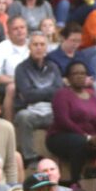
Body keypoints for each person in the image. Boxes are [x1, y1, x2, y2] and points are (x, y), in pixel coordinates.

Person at [48, 60, 96, 183]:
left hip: (91, 138)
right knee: (79, 142)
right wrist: (87, 137)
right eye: (75, 73)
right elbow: (63, 120)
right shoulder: (62, 94)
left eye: (83, 73)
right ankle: (75, 180)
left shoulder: (92, 95)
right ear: (68, 78)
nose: (80, 76)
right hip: (61, 136)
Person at [13, 32, 63, 165]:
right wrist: (49, 92)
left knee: (66, 116)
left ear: (46, 48)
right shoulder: (21, 69)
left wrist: (38, 92)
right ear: (29, 47)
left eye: (42, 44)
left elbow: (59, 92)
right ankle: (30, 158)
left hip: (52, 111)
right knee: (23, 117)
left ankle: (59, 158)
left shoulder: (53, 67)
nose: (39, 48)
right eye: (35, 44)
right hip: (31, 111)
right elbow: (28, 95)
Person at [0, 15, 28, 118]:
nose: (19, 31)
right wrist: (18, 80)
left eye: (22, 27)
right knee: (12, 88)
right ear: (8, 32)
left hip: (32, 85)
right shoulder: (1, 48)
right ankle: (8, 125)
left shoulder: (33, 45)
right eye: (15, 29)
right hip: (7, 86)